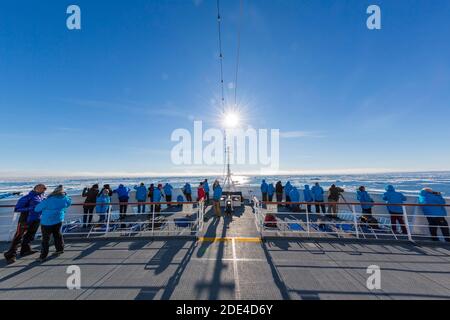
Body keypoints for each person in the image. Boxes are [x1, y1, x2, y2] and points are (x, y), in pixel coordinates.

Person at [3, 184, 46, 264]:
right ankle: (10, 255)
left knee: (30, 235)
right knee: (19, 236)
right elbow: (17, 209)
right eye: (42, 188)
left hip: (36, 219)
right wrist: (31, 209)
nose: (44, 189)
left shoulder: (42, 196)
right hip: (25, 219)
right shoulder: (27, 197)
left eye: (45, 188)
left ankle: (25, 250)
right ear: (36, 188)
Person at [34, 185, 72, 262]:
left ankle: (43, 256)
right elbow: (68, 203)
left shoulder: (48, 200)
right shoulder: (65, 198)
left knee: (45, 239)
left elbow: (36, 209)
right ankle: (60, 249)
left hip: (47, 222)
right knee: (57, 234)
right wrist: (66, 195)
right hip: (59, 220)